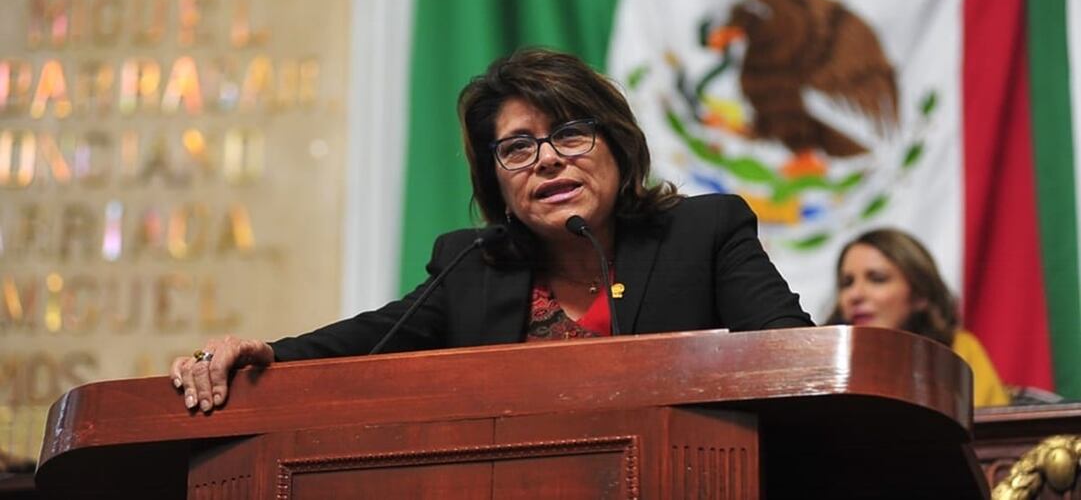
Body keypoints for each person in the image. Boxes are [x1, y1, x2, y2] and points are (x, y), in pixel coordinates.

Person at [172, 48, 813, 414]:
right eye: (517, 148)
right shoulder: (472, 268)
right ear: (499, 183)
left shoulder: (703, 232)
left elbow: (800, 363)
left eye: (569, 133)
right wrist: (255, 356)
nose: (547, 159)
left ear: (618, 147)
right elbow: (357, 349)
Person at [826, 228, 1010, 408]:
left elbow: (989, 432)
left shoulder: (958, 350)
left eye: (877, 279)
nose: (855, 295)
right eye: (847, 283)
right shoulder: (825, 361)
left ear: (920, 294)